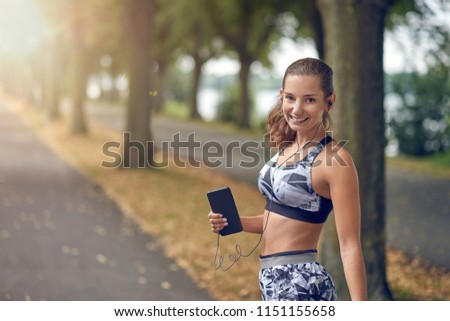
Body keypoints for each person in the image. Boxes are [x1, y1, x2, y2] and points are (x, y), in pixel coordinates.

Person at [208, 57, 367, 301]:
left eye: (310, 99)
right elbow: (277, 220)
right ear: (282, 95)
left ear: (329, 101)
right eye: (290, 98)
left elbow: (350, 245)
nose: (297, 109)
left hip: (301, 285)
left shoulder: (335, 160)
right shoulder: (287, 147)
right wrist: (233, 221)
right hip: (272, 281)